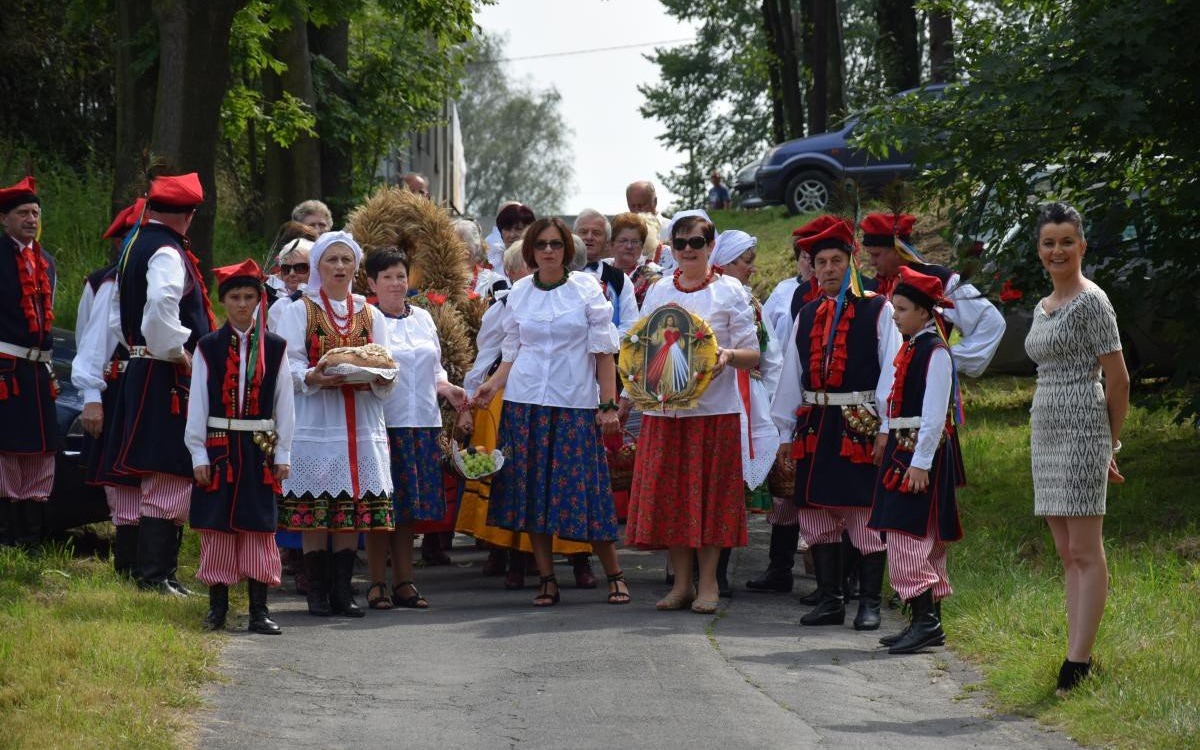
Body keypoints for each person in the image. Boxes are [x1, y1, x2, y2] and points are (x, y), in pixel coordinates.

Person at [473, 217, 631, 607]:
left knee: (587, 492)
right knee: (532, 495)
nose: (548, 251)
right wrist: (493, 384)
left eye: (555, 244)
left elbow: (604, 352)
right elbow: (512, 351)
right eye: (541, 244)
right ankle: (547, 579)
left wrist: (608, 405)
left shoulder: (585, 289)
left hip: (573, 404)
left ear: (566, 249)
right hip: (524, 404)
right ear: (530, 250)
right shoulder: (520, 292)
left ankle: (615, 574)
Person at [770, 215, 901, 631]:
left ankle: (869, 602)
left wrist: (887, 427)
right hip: (815, 425)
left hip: (859, 425)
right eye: (821, 262)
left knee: (862, 512)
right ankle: (830, 599)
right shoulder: (807, 314)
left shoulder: (879, 309)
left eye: (836, 261)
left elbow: (893, 370)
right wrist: (785, 432)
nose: (828, 269)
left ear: (851, 262)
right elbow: (791, 374)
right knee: (816, 513)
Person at [624, 213, 760, 614]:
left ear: (710, 246)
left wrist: (728, 355)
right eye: (680, 243)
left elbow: (753, 354)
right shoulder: (659, 289)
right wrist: (629, 395)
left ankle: (710, 583)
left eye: (696, 243)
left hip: (714, 411)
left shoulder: (729, 291)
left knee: (711, 499)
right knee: (672, 498)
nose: (687, 250)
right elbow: (641, 345)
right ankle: (682, 584)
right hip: (665, 410)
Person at [1024, 202, 1128, 695]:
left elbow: (1119, 380)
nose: (1058, 250)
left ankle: (1078, 663)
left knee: (1085, 549)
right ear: (1039, 250)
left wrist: (1110, 444)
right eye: (1049, 243)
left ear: (1082, 246)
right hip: (1045, 429)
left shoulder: (1093, 302)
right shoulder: (1043, 306)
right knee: (1066, 552)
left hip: (1084, 427)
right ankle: (1076, 649)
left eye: (1067, 241)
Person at [457, 243, 595, 586]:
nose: (531, 271)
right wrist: (471, 397)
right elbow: (488, 354)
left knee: (565, 477)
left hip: (567, 396)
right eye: (523, 266)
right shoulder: (507, 303)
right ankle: (515, 558)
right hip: (512, 395)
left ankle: (580, 558)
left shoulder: (579, 294)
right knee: (521, 477)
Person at [273, 231, 396, 618]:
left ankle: (343, 591)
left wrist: (379, 377)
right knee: (315, 507)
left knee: (349, 507)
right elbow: (287, 364)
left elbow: (386, 361)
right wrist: (312, 376)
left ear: (356, 267)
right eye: (332, 260)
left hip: (360, 417)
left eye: (346, 260)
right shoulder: (300, 311)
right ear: (318, 266)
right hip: (317, 418)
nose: (340, 267)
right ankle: (316, 592)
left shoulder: (371, 314)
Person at [107, 172, 217, 594]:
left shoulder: (135, 245)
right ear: (188, 215)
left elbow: (119, 316)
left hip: (144, 365)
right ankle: (155, 576)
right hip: (164, 372)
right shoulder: (167, 251)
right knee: (169, 468)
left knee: (166, 469)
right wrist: (179, 351)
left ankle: (160, 573)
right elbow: (158, 306)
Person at [185, 260, 294, 635]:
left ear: (259, 300)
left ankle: (259, 610)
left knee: (259, 527)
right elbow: (197, 404)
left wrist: (284, 453)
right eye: (235, 297)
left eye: (249, 297)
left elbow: (284, 403)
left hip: (259, 448)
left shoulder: (275, 348)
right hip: (220, 448)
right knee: (217, 527)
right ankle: (217, 608)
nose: (242, 304)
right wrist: (198, 453)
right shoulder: (208, 347)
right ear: (224, 301)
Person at [362, 248, 467, 609]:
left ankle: (404, 581)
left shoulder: (422, 317)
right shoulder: (367, 319)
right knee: (381, 506)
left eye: (401, 276)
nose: (396, 283)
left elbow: (435, 369)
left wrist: (448, 388)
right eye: (387, 277)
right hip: (383, 423)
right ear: (372, 283)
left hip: (422, 422)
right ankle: (377, 583)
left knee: (408, 508)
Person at [869, 265, 964, 654]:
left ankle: (926, 621)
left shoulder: (934, 352)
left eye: (903, 309)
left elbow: (935, 412)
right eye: (894, 308)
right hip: (904, 449)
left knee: (907, 533)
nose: (895, 316)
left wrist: (921, 462)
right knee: (917, 534)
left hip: (918, 454)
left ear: (924, 312)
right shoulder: (913, 346)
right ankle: (928, 621)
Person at [72, 199, 144, 572]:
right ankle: (128, 561)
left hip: (155, 389)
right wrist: (91, 396)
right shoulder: (104, 283)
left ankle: (153, 562)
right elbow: (89, 342)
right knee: (122, 475)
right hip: (118, 390)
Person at [709, 229, 782, 595]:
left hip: (744, 401)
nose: (752, 269)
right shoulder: (705, 297)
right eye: (746, 262)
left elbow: (771, 358)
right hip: (707, 399)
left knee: (729, 487)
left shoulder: (751, 303)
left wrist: (768, 403)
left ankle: (716, 572)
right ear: (724, 263)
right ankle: (689, 570)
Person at [859, 212, 1006, 377]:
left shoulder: (939, 279)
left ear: (897, 251)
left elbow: (991, 321)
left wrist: (945, 359)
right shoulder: (877, 286)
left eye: (876, 255)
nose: (872, 262)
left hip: (924, 381)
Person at [0, 176, 56, 550]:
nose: (31, 219)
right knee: (6, 448)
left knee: (41, 448)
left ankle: (31, 537)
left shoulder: (47, 261)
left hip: (37, 371)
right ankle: (6, 535)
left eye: (35, 213)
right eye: (22, 212)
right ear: (4, 218)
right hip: (6, 368)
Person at [576, 209, 639, 335]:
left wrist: (605, 344)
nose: (589, 237)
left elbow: (630, 326)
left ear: (607, 242)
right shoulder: (560, 274)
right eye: (583, 232)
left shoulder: (620, 279)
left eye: (596, 233)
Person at [608, 212, 662, 308]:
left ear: (642, 246)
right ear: (612, 243)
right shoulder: (600, 272)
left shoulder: (651, 279)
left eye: (635, 242)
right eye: (623, 241)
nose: (629, 246)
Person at [625, 181, 675, 271]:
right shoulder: (623, 233)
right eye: (632, 206)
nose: (637, 211)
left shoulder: (673, 229)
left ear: (655, 202)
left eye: (641, 205)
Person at [486, 203, 535, 279]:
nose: (512, 235)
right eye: (507, 229)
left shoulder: (539, 262)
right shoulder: (491, 261)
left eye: (518, 229)